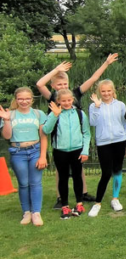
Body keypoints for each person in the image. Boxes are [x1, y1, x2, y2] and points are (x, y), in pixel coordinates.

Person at [36, 53, 118, 208]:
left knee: (78, 169)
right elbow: (40, 84)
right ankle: (61, 198)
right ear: (53, 86)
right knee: (61, 172)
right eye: (59, 85)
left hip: (76, 138)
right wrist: (56, 70)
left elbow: (93, 79)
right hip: (59, 138)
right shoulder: (52, 96)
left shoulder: (75, 94)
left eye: (64, 84)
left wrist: (106, 63)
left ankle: (82, 194)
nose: (62, 87)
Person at [0, 88, 48, 226]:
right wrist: (7, 120)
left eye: (27, 98)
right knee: (23, 183)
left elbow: (43, 136)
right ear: (16, 99)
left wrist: (43, 156)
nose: (24, 101)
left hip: (35, 150)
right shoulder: (10, 114)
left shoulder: (38, 114)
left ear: (32, 99)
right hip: (17, 152)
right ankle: (26, 212)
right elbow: (7, 136)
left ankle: (36, 213)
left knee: (36, 183)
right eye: (20, 98)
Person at [43, 89, 91, 219]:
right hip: (60, 151)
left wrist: (85, 150)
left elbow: (86, 133)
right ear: (58, 101)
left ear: (73, 100)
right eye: (63, 101)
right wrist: (55, 115)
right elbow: (46, 130)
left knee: (77, 177)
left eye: (69, 100)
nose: (66, 103)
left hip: (77, 150)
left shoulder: (80, 113)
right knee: (63, 178)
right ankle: (64, 205)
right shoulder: (54, 113)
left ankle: (79, 203)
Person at [87, 80, 126, 217]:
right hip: (103, 143)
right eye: (103, 91)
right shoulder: (94, 106)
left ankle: (115, 199)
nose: (106, 93)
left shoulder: (120, 105)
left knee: (117, 170)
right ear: (99, 92)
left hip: (120, 141)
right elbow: (92, 122)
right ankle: (97, 202)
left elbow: (125, 124)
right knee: (106, 173)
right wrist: (97, 107)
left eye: (109, 91)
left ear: (113, 91)